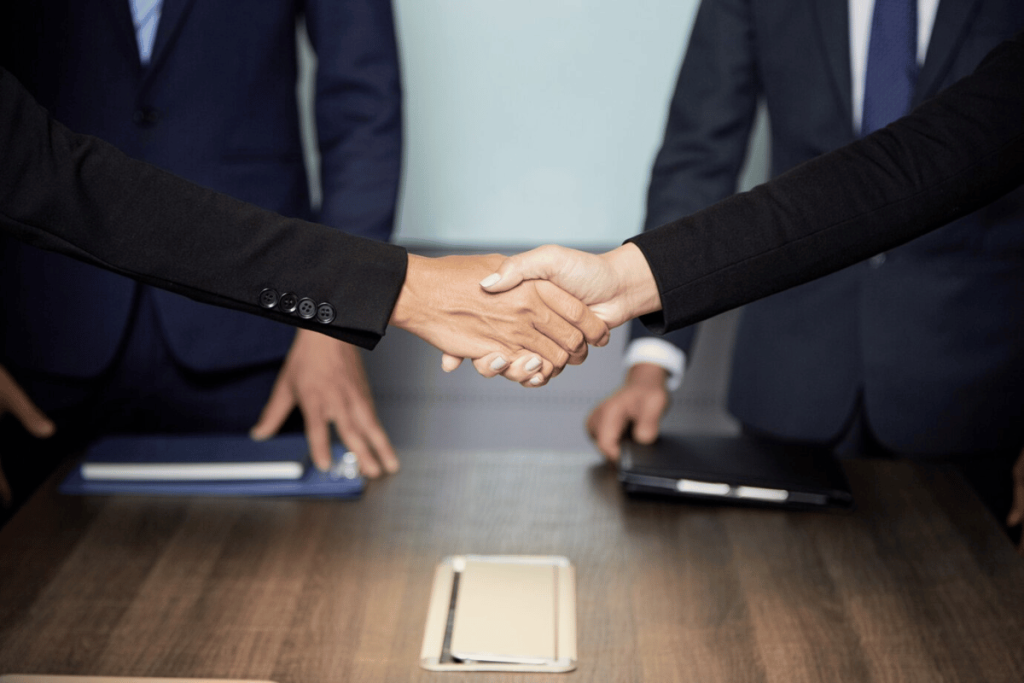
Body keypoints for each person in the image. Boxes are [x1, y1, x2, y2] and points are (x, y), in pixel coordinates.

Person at [481, 29, 1024, 550]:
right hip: (793, 377)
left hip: (976, 389)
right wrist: (630, 293)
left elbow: (942, 153)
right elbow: (887, 172)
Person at [0, 65, 609, 518]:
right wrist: (407, 289)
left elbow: (48, 174)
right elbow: (53, 177)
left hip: (240, 348)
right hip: (51, 338)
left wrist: (375, 298)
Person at [0, 0, 406, 485]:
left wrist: (335, 317)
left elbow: (362, 98)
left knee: (272, 555)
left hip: (257, 332)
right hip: (42, 329)